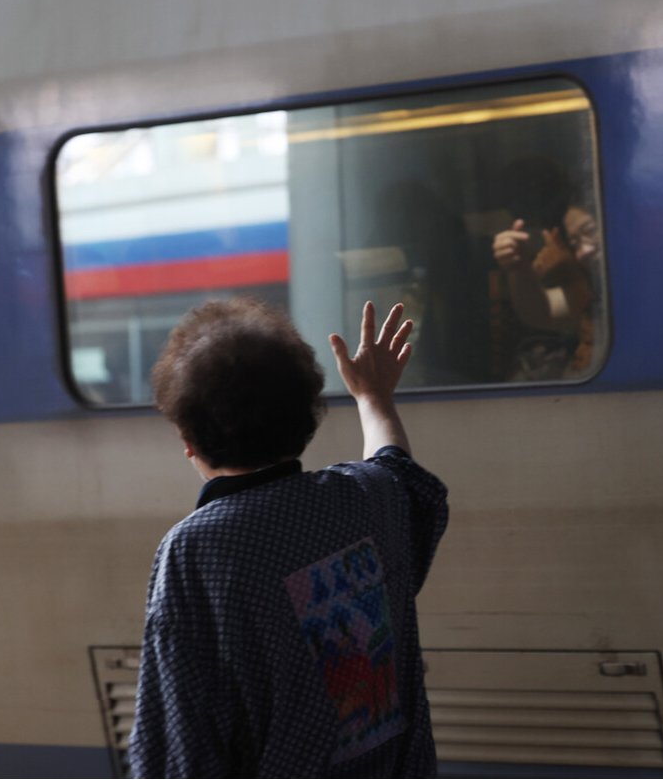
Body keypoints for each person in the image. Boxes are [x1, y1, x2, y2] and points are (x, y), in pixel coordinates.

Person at [128, 299, 449, 778]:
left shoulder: (196, 548)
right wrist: (373, 397)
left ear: (188, 441)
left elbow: (181, 727)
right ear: (305, 417)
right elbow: (394, 463)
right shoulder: (369, 494)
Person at [492, 201, 602, 377]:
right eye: (574, 244)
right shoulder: (593, 288)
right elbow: (541, 312)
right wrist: (519, 266)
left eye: (590, 231)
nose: (584, 251)